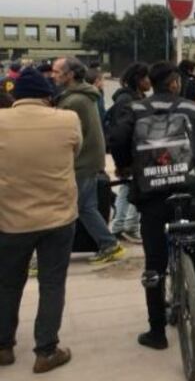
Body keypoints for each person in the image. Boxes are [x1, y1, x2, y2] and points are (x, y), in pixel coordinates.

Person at [108, 61, 195, 350]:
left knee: (155, 264)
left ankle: (156, 332)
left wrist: (125, 167)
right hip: (190, 193)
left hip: (152, 197)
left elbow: (118, 140)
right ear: (174, 82)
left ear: (152, 81)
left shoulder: (135, 110)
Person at [0, 68, 79, 373]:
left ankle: (4, 346)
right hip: (57, 217)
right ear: (48, 95)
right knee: (52, 283)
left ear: (15, 96)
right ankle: (46, 350)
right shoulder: (67, 119)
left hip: (10, 219)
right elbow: (77, 150)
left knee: (7, 284)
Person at [52, 57, 124, 264]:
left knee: (78, 208)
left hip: (81, 162)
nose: (53, 75)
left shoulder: (73, 101)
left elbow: (63, 135)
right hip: (90, 160)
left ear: (70, 75)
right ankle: (108, 244)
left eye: (57, 72)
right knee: (85, 207)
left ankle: (108, 244)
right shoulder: (84, 95)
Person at [105, 62, 151, 244]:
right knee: (136, 189)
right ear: (137, 80)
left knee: (127, 189)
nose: (149, 81)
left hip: (137, 150)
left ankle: (118, 227)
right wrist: (121, 162)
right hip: (132, 151)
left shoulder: (135, 97)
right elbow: (120, 132)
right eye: (146, 77)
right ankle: (129, 226)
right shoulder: (126, 100)